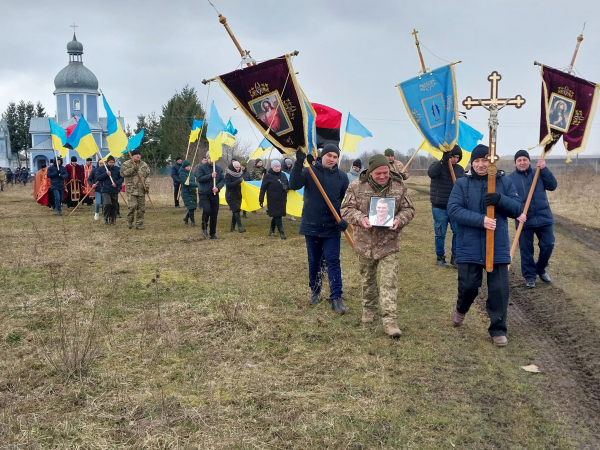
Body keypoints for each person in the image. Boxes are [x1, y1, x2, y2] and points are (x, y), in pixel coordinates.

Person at [447, 145, 522, 347]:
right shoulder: (462, 183)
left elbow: (517, 208)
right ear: (472, 163)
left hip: (496, 244)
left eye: (485, 160)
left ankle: (498, 329)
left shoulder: (504, 182)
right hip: (469, 243)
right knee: (469, 286)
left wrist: (500, 200)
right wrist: (481, 220)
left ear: (492, 162)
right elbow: (454, 210)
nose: (481, 164)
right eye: (477, 161)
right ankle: (461, 309)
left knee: (499, 289)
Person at [341, 154, 415, 338]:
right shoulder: (356, 186)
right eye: (378, 173)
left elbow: (409, 209)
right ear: (370, 172)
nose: (383, 176)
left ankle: (390, 321)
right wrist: (361, 218)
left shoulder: (399, 186)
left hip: (389, 242)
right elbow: (345, 209)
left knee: (389, 282)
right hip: (365, 242)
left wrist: (399, 220)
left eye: (385, 172)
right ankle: (369, 310)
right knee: (367, 278)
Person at [290, 143, 350, 314]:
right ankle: (315, 291)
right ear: (322, 155)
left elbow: (347, 203)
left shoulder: (342, 177)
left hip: (332, 227)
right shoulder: (310, 172)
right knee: (314, 260)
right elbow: (293, 184)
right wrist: (298, 163)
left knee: (333, 261)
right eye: (329, 155)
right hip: (311, 225)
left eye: (335, 156)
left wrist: (344, 219)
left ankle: (336, 297)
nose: (332, 159)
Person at [508, 149, 557, 288]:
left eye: (525, 159)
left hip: (544, 217)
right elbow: (508, 202)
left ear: (529, 161)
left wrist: (545, 169)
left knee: (548, 245)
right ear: (515, 163)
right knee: (526, 250)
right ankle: (530, 276)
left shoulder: (539, 173)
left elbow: (553, 186)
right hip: (524, 220)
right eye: (519, 160)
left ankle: (540, 269)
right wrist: (516, 215)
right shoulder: (510, 179)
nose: (522, 162)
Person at [428, 145, 465, 268]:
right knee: (440, 233)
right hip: (439, 207)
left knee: (458, 232)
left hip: (455, 208)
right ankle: (440, 257)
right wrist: (443, 160)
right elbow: (431, 174)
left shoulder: (459, 170)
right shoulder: (437, 166)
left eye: (457, 157)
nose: (454, 159)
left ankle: (455, 257)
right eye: (452, 156)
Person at [196, 152, 224, 239]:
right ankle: (204, 227)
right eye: (211, 158)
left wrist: (218, 188)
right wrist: (210, 176)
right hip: (204, 193)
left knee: (214, 213)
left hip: (214, 194)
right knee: (207, 210)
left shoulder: (219, 169)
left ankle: (212, 233)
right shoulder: (201, 167)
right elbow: (199, 179)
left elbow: (222, 180)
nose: (213, 160)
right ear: (208, 158)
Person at [120, 150, 150, 230]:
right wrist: (133, 169)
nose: (138, 156)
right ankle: (129, 220)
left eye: (139, 154)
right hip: (131, 189)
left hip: (141, 189)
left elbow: (147, 176)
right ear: (132, 156)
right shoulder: (126, 164)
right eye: (136, 154)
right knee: (132, 206)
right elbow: (123, 173)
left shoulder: (144, 164)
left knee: (141, 208)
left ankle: (139, 224)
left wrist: (147, 186)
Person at [259, 159, 289, 239]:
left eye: (279, 166)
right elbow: (263, 188)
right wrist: (261, 198)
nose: (278, 168)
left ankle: (271, 231)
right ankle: (281, 232)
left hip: (282, 198)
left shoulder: (283, 175)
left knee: (276, 215)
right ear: (272, 167)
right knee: (277, 215)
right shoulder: (268, 176)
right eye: (276, 166)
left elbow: (287, 184)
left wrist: (287, 187)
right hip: (272, 199)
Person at [96, 156, 123, 225]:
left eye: (113, 162)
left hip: (114, 190)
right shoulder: (101, 169)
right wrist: (106, 174)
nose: (111, 163)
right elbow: (98, 178)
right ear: (107, 162)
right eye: (110, 162)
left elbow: (121, 178)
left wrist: (116, 183)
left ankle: (112, 218)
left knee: (114, 205)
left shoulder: (117, 169)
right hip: (105, 189)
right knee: (108, 203)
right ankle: (105, 216)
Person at [225, 160, 246, 233]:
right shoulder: (228, 175)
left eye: (238, 167)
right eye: (236, 167)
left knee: (235, 211)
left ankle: (232, 228)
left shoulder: (240, 174)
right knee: (236, 210)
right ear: (233, 167)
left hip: (238, 195)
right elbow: (228, 185)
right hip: (230, 196)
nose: (237, 169)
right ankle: (240, 227)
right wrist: (238, 182)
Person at [179, 160, 198, 226]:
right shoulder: (182, 174)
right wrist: (196, 185)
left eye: (189, 166)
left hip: (192, 191)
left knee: (193, 206)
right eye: (187, 166)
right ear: (184, 167)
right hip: (186, 192)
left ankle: (186, 218)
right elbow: (186, 183)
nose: (189, 167)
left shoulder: (191, 173)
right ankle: (193, 222)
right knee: (191, 207)